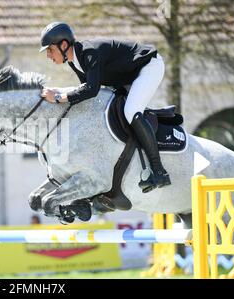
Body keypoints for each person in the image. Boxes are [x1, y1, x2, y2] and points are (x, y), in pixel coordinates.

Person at [39, 22, 171, 192]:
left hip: (148, 66)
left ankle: (159, 171)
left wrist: (57, 97)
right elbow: (84, 95)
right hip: (128, 77)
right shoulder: (75, 61)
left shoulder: (88, 53)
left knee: (131, 112)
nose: (48, 55)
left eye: (50, 49)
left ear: (63, 45)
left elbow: (91, 90)